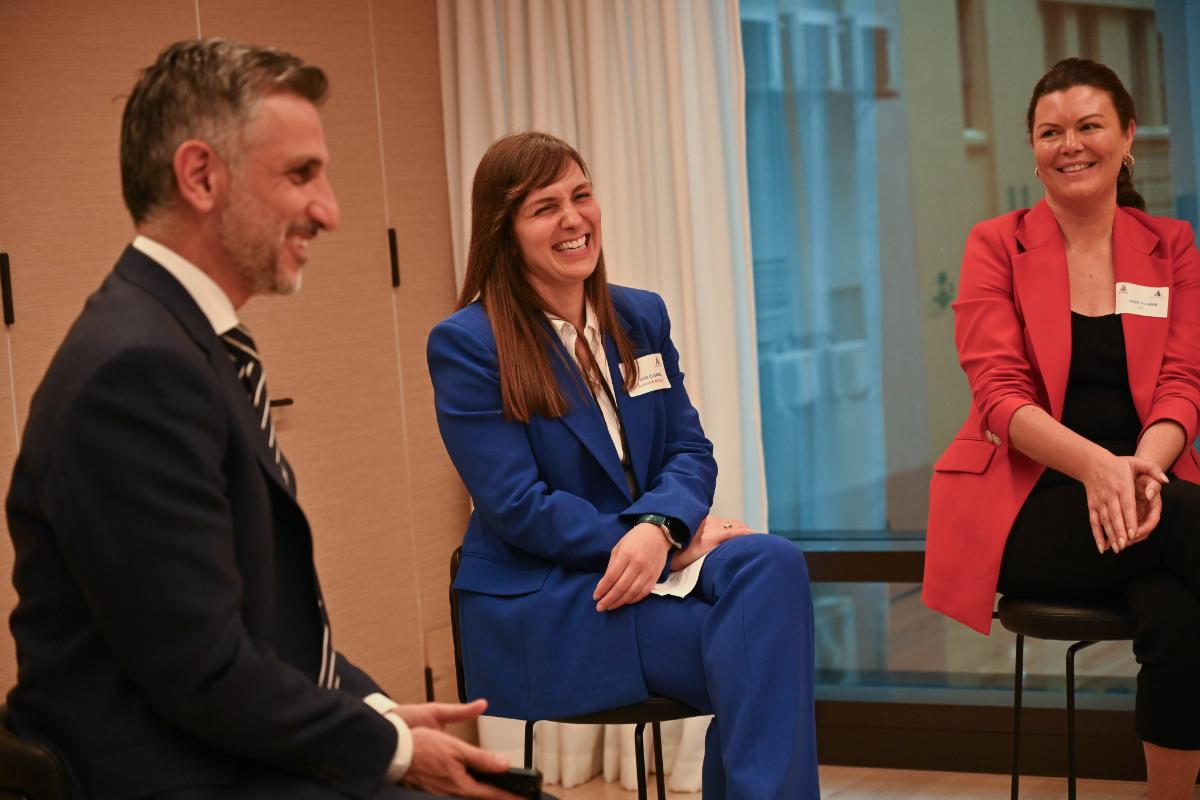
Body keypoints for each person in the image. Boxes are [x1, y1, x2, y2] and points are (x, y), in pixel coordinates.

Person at [4, 38, 533, 800]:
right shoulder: (137, 370)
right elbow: (203, 668)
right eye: (301, 174)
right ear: (200, 176)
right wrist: (392, 749)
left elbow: (262, 625)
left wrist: (376, 711)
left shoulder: (181, 343)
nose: (330, 211)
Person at [426, 131, 819, 800]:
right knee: (761, 653)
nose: (573, 218)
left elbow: (689, 451)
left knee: (772, 563)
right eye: (545, 207)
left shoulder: (639, 315)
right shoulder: (468, 343)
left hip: (646, 559)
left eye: (581, 195)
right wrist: (648, 543)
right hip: (553, 597)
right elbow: (518, 506)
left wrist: (660, 529)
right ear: (505, 232)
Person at [924, 57, 1200, 798]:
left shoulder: (1170, 245)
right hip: (1030, 508)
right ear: (1033, 148)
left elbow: (1183, 382)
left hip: (1149, 494)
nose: (1070, 144)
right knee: (1187, 525)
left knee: (1178, 609)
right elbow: (999, 396)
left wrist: (1140, 471)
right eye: (1051, 132)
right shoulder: (996, 244)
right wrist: (1100, 469)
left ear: (1127, 136)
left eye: (1089, 126)